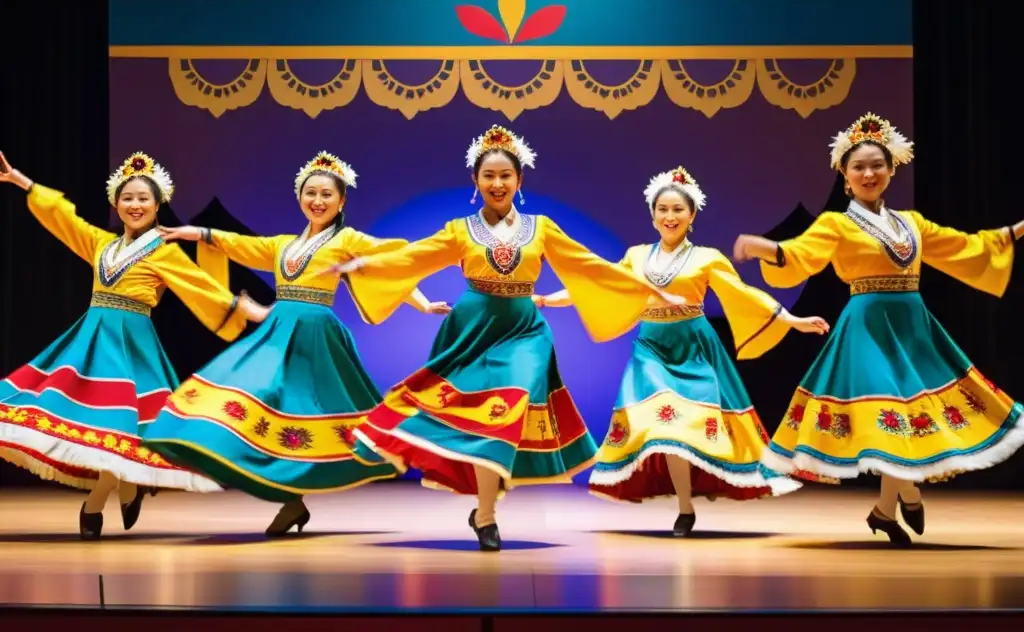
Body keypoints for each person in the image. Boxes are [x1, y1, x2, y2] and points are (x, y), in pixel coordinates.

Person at [323, 125, 687, 551]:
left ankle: (486, 511)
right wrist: (362, 266)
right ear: (475, 182)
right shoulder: (460, 230)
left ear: (520, 181)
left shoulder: (542, 228)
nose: (497, 184)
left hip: (524, 331)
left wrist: (652, 289)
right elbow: (414, 256)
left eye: (505, 176)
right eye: (488, 176)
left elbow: (591, 266)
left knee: (509, 401)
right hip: (472, 329)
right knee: (478, 416)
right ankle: (486, 512)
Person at [732, 112, 1024, 546]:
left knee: (910, 411)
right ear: (845, 178)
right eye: (859, 167)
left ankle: (886, 509)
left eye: (877, 165)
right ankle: (904, 490)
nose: (869, 173)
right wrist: (765, 249)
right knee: (887, 411)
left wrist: (1013, 233)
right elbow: (801, 253)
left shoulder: (912, 223)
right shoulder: (837, 223)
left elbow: (962, 246)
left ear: (891, 171)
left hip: (912, 327)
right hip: (867, 328)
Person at [143, 151, 451, 537]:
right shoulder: (282, 245)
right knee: (256, 396)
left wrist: (422, 304)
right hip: (278, 330)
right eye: (310, 193)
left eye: (326, 194)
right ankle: (290, 500)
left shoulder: (348, 239)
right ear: (299, 197)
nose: (318, 201)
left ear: (341, 202)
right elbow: (239, 245)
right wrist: (197, 233)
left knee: (303, 411)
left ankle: (295, 498)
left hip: (316, 337)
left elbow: (393, 261)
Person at [534, 166, 828, 536]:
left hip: (693, 346)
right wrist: (547, 299)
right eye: (663, 210)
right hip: (651, 348)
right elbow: (600, 286)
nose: (670, 217)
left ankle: (687, 507)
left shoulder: (707, 258)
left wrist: (791, 319)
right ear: (653, 215)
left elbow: (743, 295)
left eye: (678, 210)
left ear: (691, 216)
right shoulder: (637, 257)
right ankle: (685, 506)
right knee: (660, 421)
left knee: (688, 426)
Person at [0, 150, 269, 539]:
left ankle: (97, 500)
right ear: (116, 203)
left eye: (144, 198)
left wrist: (247, 309)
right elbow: (63, 220)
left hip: (132, 346)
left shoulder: (163, 251)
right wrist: (24, 183)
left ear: (158, 205)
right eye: (128, 198)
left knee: (122, 424)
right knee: (102, 422)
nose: (135, 205)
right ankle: (127, 486)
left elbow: (200, 286)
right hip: (93, 341)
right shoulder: (100, 244)